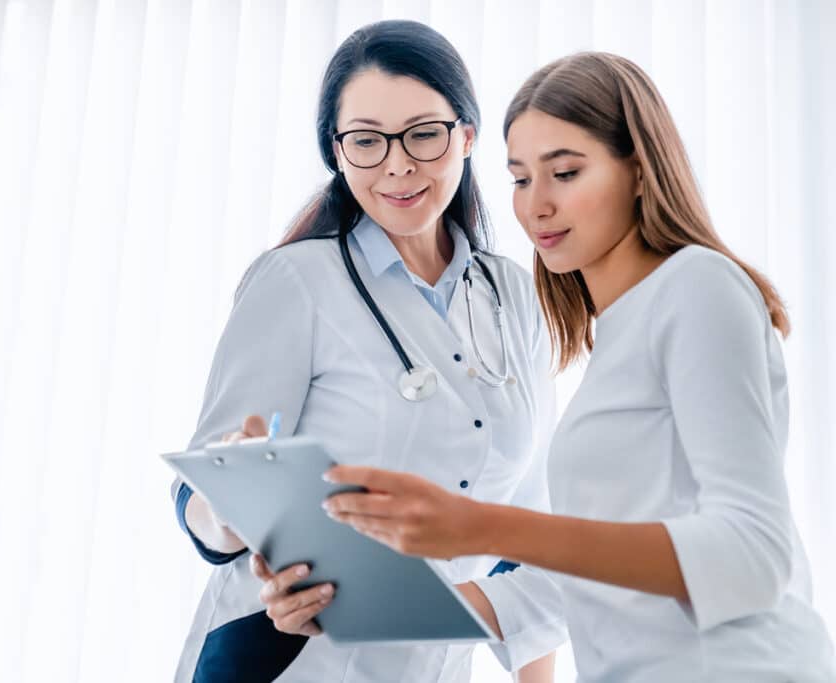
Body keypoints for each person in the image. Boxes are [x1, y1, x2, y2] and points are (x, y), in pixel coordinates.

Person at [321, 52, 836, 681]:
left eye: (564, 172)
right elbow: (591, 582)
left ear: (641, 171)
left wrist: (480, 527)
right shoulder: (618, 334)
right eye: (519, 178)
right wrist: (362, 608)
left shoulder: (699, 287)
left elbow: (754, 557)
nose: (536, 206)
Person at [170, 20, 563, 683]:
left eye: (423, 133)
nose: (398, 164)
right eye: (367, 141)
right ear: (338, 151)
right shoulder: (297, 282)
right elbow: (199, 494)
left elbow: (528, 528)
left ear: (466, 135)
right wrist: (233, 505)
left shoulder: (512, 297)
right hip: (286, 657)